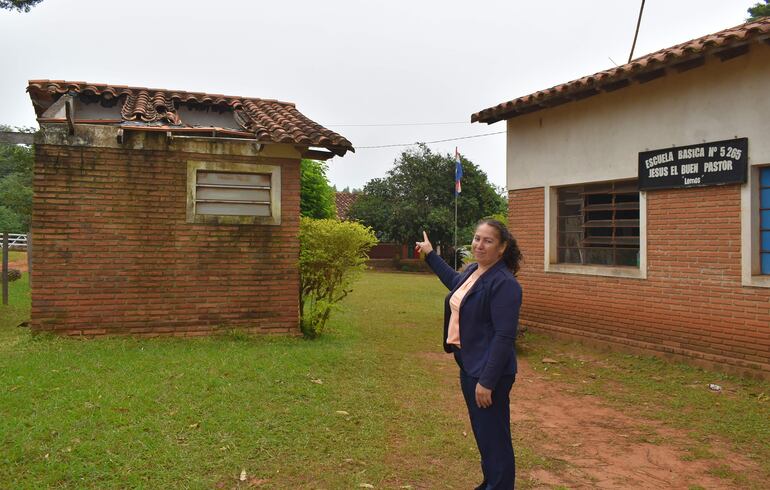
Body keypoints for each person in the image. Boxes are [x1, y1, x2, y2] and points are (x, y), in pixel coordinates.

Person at [415, 219, 523, 490]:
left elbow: (504, 336)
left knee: (495, 436)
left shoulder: (505, 283)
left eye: (488, 240)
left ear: (502, 248)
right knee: (484, 433)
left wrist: (487, 381)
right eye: (477, 238)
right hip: (469, 364)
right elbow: (454, 281)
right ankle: (491, 482)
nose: (479, 245)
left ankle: (499, 486)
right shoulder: (475, 270)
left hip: (489, 372)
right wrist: (430, 254)